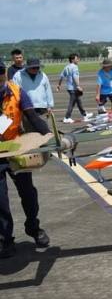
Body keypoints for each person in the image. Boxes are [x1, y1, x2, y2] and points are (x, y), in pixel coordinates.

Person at [0, 62, 52, 258]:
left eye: (0, 74)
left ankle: (33, 227)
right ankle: (6, 239)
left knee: (28, 194)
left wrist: (48, 136)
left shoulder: (17, 91)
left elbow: (33, 117)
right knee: (1, 201)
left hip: (16, 150)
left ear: (4, 73)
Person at [57, 54, 92, 123]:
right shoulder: (75, 67)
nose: (78, 60)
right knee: (72, 103)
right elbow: (75, 77)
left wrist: (59, 85)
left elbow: (61, 76)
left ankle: (84, 114)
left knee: (78, 102)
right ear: (72, 60)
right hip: (73, 88)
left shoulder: (66, 67)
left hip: (69, 88)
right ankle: (67, 117)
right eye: (77, 58)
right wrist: (78, 86)